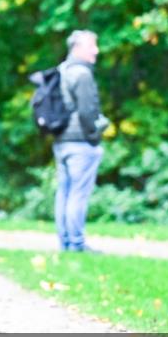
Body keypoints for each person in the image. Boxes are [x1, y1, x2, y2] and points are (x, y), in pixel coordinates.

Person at [53, 30, 109, 252]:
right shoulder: (82, 74)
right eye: (92, 46)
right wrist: (94, 137)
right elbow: (87, 112)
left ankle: (65, 242)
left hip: (61, 140)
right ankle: (76, 244)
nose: (96, 50)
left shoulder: (61, 71)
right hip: (80, 141)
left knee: (64, 192)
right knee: (78, 193)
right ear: (77, 48)